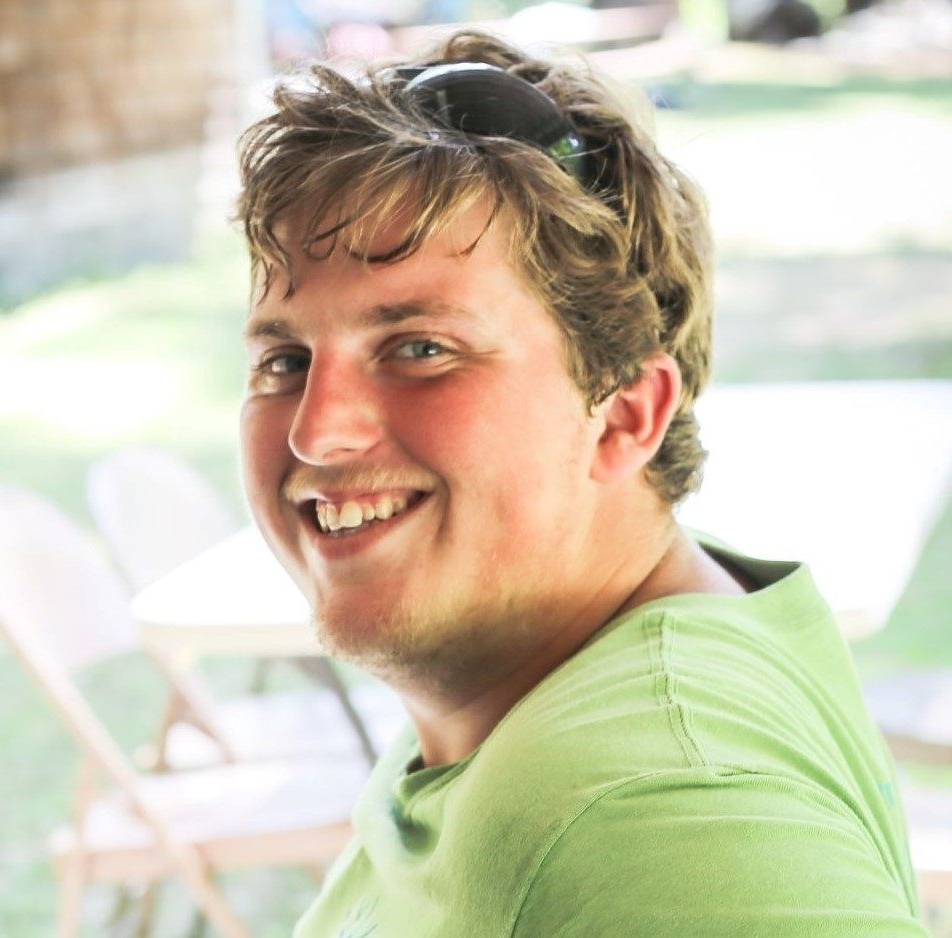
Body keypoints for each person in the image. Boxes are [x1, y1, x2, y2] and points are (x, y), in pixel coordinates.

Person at [235, 30, 925, 937]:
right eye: (285, 360)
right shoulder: (514, 664)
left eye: (421, 349)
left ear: (627, 413)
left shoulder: (655, 810)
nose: (317, 429)